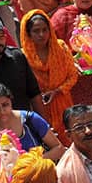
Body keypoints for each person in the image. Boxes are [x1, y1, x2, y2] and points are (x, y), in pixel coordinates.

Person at [20, 11, 78, 144]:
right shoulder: (23, 56)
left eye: (44, 30)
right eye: (36, 31)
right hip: (39, 107)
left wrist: (57, 91)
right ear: (28, 33)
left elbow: (73, 75)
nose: (41, 35)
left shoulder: (61, 48)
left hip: (63, 103)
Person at [0, 82, 65, 162]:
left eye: (5, 105)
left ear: (11, 101)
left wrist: (32, 163)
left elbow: (59, 148)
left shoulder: (30, 119)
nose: (2, 111)